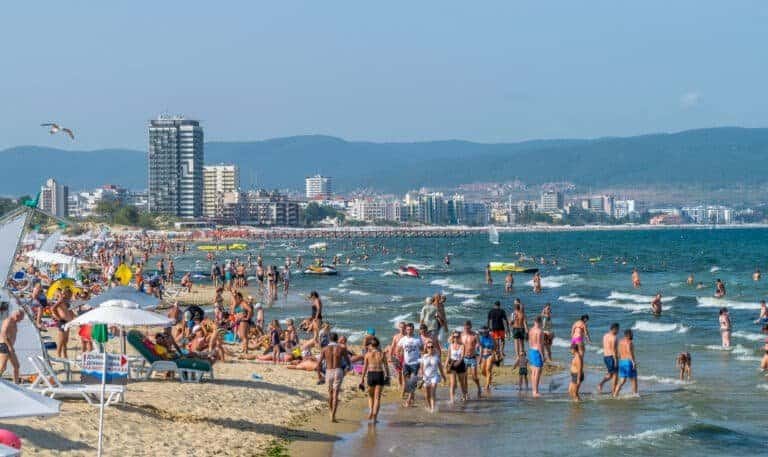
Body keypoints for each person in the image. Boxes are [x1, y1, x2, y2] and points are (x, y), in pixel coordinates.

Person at [316, 332, 351, 422]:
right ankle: (333, 416)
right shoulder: (342, 348)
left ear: (329, 339)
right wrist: (346, 371)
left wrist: (319, 375)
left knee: (330, 393)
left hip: (329, 371)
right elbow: (348, 362)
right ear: (337, 339)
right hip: (338, 370)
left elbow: (319, 363)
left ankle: (330, 411)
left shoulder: (324, 349)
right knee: (335, 394)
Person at [361, 337, 389, 422]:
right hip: (379, 374)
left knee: (370, 396)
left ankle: (370, 411)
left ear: (370, 345)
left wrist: (362, 379)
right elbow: (386, 366)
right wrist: (387, 376)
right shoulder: (382, 354)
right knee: (377, 398)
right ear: (378, 345)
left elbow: (364, 368)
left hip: (371, 374)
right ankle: (375, 418)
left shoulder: (367, 355)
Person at [397, 323, 423, 407]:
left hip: (415, 364)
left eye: (411, 329)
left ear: (413, 329)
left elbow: (422, 349)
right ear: (406, 330)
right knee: (408, 382)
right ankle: (412, 396)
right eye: (408, 329)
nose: (409, 331)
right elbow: (398, 349)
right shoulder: (403, 339)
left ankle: (408, 401)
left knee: (412, 381)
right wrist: (399, 356)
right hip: (406, 364)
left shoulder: (417, 339)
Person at [420, 339, 446, 412]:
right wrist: (422, 377)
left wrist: (444, 377)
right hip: (426, 377)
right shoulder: (424, 357)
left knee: (433, 392)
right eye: (429, 347)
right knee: (427, 395)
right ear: (426, 348)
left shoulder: (436, 357)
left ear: (434, 347)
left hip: (434, 376)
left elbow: (440, 368)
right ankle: (429, 406)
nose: (430, 348)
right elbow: (421, 368)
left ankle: (433, 409)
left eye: (432, 347)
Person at [0, 310, 24, 383]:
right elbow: (3, 334)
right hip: (4, 345)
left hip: (9, 346)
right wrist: (9, 346)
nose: (21, 320)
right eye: (21, 318)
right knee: (2, 367)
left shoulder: (14, 322)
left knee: (16, 366)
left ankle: (16, 384)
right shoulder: (8, 321)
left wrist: (10, 347)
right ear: (17, 316)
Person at [613, 329, 638, 397]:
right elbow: (629, 351)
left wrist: (617, 361)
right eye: (631, 334)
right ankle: (635, 395)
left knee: (622, 380)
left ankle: (615, 394)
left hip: (621, 362)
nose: (632, 335)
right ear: (629, 335)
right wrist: (633, 362)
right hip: (628, 362)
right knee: (633, 380)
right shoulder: (629, 342)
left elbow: (618, 352)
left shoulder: (620, 342)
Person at [461, 320, 482, 399]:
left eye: (468, 326)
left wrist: (479, 357)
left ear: (470, 327)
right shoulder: (462, 335)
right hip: (464, 358)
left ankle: (479, 387)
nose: (466, 328)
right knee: (464, 377)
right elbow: (454, 342)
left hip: (473, 358)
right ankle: (466, 394)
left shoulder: (475, 335)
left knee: (474, 377)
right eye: (465, 326)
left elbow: (480, 346)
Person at [446, 330, 468, 402]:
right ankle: (452, 399)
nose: (456, 338)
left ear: (459, 337)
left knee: (461, 382)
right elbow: (448, 356)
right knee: (452, 383)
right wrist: (445, 365)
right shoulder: (450, 345)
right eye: (454, 337)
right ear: (453, 337)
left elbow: (462, 356)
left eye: (457, 336)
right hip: (452, 363)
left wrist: (458, 362)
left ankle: (464, 396)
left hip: (460, 364)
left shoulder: (462, 345)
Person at [597, 323, 620, 394]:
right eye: (618, 330)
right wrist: (616, 360)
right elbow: (613, 350)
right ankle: (613, 391)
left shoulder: (605, 335)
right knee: (615, 375)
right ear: (614, 329)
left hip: (605, 357)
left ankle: (600, 384)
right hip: (611, 357)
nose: (618, 331)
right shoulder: (614, 338)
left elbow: (605, 346)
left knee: (610, 374)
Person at [528, 316, 544, 397]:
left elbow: (530, 341)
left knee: (533, 372)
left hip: (531, 350)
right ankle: (536, 391)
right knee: (537, 372)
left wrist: (531, 350)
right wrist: (542, 355)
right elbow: (539, 344)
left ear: (534, 321)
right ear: (540, 322)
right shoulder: (540, 331)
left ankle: (533, 390)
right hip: (537, 351)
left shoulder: (531, 330)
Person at [388, 321, 406, 391]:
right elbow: (392, 347)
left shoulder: (407, 337)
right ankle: (400, 384)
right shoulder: (396, 337)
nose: (402, 329)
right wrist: (390, 356)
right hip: (397, 356)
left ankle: (404, 385)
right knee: (399, 372)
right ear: (399, 328)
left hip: (405, 357)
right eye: (401, 327)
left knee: (404, 372)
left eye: (404, 327)